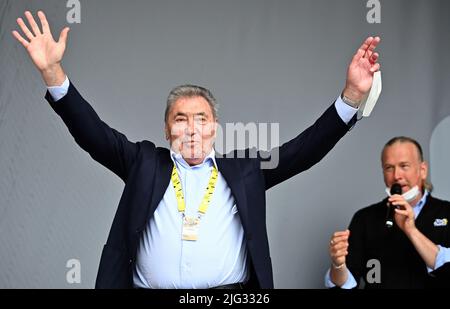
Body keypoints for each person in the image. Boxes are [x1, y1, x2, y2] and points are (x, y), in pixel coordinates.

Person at [13, 11, 381, 289]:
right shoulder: (143, 162)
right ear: (166, 128)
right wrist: (53, 72)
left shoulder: (245, 169)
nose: (191, 128)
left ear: (215, 128)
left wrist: (351, 96)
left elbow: (307, 150)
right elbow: (91, 133)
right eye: (181, 119)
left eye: (201, 119)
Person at [326, 136, 450, 288]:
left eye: (404, 166)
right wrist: (338, 265)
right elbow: (346, 283)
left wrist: (411, 230)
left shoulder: (446, 212)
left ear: (422, 170)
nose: (397, 175)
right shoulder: (365, 218)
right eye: (389, 168)